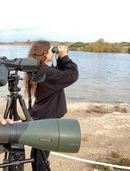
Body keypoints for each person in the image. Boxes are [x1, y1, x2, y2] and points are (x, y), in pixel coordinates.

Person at [24, 40, 79, 171]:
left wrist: (60, 59)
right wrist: (64, 56)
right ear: (44, 53)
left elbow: (59, 75)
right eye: (50, 50)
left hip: (41, 114)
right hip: (47, 118)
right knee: (42, 155)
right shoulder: (46, 72)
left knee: (38, 150)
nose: (51, 52)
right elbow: (72, 75)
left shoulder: (38, 69)